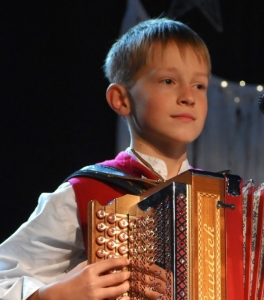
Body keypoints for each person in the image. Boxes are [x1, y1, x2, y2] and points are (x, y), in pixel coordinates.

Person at [0, 18, 210, 300]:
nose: (188, 96)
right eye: (168, 81)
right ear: (121, 100)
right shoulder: (84, 191)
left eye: (199, 85)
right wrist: (53, 295)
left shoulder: (222, 200)